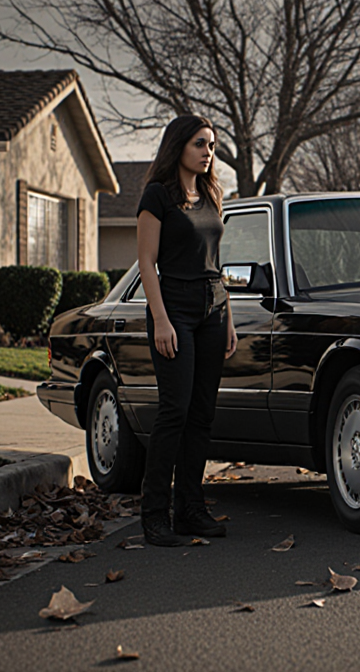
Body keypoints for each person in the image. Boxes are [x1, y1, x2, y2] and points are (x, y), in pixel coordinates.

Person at [135, 115, 238, 546]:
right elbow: (147, 263)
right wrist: (160, 319)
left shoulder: (212, 195)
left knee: (202, 415)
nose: (207, 152)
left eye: (211, 145)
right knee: (174, 412)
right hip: (173, 308)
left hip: (213, 308)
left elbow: (215, 263)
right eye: (200, 144)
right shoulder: (157, 196)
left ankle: (191, 510)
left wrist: (228, 317)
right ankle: (154, 515)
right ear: (178, 145)